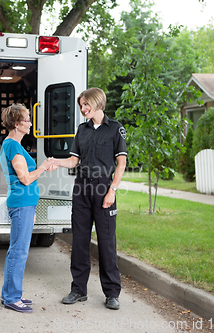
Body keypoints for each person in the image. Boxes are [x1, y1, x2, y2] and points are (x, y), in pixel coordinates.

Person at [51, 88, 127, 310]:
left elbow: (121, 164)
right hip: (81, 189)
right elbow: (74, 161)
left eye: (86, 105)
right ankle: (78, 290)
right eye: (81, 105)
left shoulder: (115, 129)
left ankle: (112, 293)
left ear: (97, 103)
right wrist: (55, 161)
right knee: (80, 241)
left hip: (104, 188)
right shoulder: (81, 130)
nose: (83, 109)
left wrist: (112, 190)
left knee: (106, 242)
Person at [0, 103, 54, 313]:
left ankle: (9, 294)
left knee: (17, 250)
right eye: (27, 119)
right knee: (19, 252)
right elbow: (25, 178)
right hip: (21, 204)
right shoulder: (12, 145)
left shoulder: (16, 145)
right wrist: (42, 167)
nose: (30, 123)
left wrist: (43, 167)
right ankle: (12, 297)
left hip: (25, 205)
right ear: (16, 123)